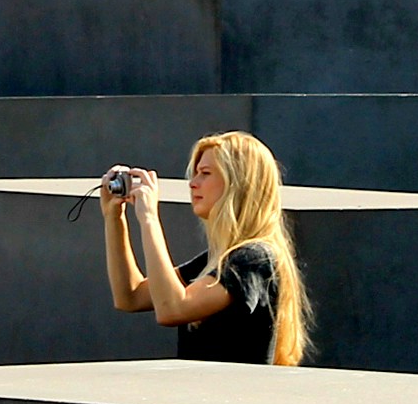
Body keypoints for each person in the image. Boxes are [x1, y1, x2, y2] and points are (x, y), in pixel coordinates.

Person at [99, 130, 310, 365]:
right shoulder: (219, 259)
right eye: (195, 174)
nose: (193, 183)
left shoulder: (254, 258)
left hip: (230, 398)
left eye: (205, 174)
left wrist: (149, 218)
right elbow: (130, 296)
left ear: (237, 184)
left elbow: (173, 309)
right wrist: (113, 218)